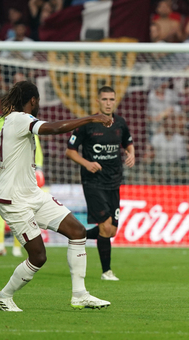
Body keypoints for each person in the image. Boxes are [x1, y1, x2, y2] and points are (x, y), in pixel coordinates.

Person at [0, 81, 113, 312]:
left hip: (32, 194)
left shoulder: (8, 122)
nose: (39, 105)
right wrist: (91, 118)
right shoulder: (21, 119)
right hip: (13, 200)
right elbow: (53, 129)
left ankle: (80, 295)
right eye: (38, 101)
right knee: (38, 256)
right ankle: (4, 296)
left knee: (77, 231)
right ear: (33, 100)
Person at [65, 86, 135, 281]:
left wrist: (132, 154)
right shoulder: (87, 124)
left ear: (115, 101)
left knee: (111, 230)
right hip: (93, 182)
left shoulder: (120, 123)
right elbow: (70, 151)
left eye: (111, 99)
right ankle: (107, 272)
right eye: (104, 99)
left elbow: (128, 143)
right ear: (98, 101)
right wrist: (87, 164)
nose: (108, 103)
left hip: (114, 182)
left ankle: (79, 236)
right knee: (105, 227)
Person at [0, 115, 45, 257]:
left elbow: (36, 146)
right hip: (0, 173)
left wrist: (39, 168)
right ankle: (0, 246)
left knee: (21, 209)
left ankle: (17, 247)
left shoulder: (27, 120)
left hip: (21, 172)